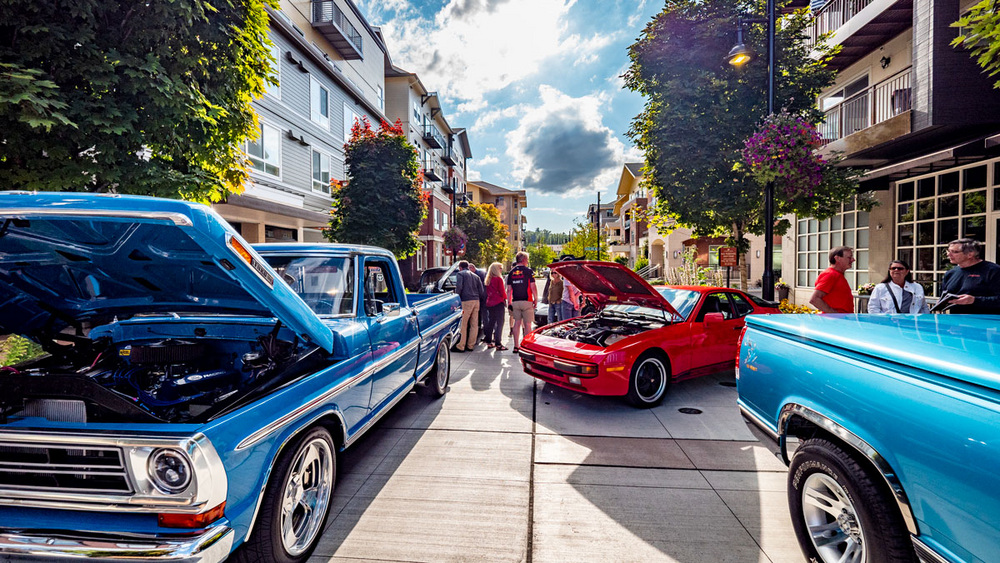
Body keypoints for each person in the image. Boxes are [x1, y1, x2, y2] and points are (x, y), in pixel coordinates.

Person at [940, 238, 1000, 314]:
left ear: (970, 254)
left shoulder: (993, 271)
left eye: (955, 252)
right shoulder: (950, 273)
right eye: (948, 251)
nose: (948, 254)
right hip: (956, 322)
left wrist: (974, 300)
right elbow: (944, 295)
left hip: (986, 322)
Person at [809, 246, 855, 314]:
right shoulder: (830, 274)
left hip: (842, 320)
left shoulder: (837, 275)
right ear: (837, 258)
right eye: (849, 257)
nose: (853, 260)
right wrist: (835, 315)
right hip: (835, 322)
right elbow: (814, 299)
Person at [506, 251, 536, 352]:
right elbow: (533, 287)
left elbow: (509, 290)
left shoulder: (511, 272)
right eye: (527, 260)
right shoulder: (528, 271)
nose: (527, 262)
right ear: (523, 260)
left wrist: (509, 302)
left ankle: (516, 346)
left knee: (517, 323)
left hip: (515, 301)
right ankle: (527, 346)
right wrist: (536, 298)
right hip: (527, 300)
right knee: (528, 324)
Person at [453, 260, 484, 352]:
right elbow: (481, 291)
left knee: (463, 324)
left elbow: (459, 287)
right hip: (476, 300)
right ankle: (470, 345)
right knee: (474, 324)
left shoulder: (460, 274)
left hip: (466, 301)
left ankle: (461, 345)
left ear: (460, 267)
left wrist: (456, 299)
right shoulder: (476, 276)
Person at [482, 262, 508, 350]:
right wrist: (505, 299)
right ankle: (498, 343)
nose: (501, 270)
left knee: (491, 322)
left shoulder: (488, 279)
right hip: (498, 302)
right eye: (500, 268)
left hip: (490, 303)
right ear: (496, 269)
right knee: (500, 323)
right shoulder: (498, 279)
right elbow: (502, 291)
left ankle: (489, 342)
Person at [469, 263, 487, 339]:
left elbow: (482, 287)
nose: (469, 270)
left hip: (482, 298)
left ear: (473, 268)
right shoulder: (475, 274)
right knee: (479, 316)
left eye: (470, 268)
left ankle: (486, 334)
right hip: (478, 298)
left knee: (484, 316)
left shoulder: (480, 274)